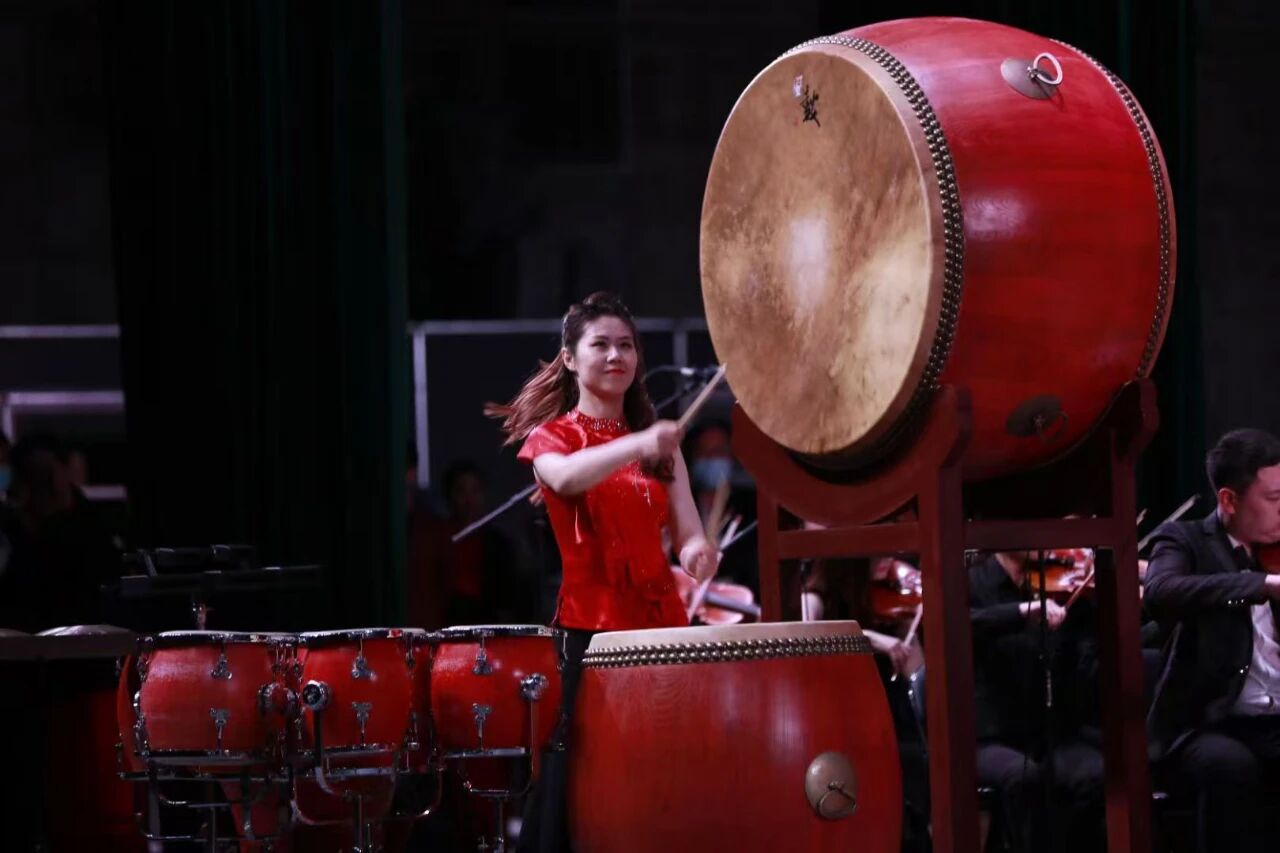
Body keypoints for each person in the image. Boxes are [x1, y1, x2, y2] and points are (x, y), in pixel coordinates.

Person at [486, 291, 717, 853]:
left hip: (661, 625)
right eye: (601, 345)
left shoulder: (659, 445)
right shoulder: (553, 438)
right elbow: (567, 478)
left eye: (627, 346)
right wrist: (639, 441)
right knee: (585, 778)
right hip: (591, 632)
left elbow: (688, 532)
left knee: (665, 767)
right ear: (570, 357)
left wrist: (697, 555)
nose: (616, 356)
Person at [1144, 428, 1280, 853]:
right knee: (1230, 767)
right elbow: (1161, 591)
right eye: (1274, 499)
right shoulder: (1184, 540)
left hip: (1273, 718)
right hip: (1207, 721)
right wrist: (1258, 584)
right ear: (1229, 500)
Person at [968, 548, 1106, 853]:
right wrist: (1021, 611)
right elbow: (958, 624)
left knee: (1098, 775)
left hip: (1047, 729)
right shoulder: (971, 581)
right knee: (1027, 778)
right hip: (991, 734)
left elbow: (1078, 659)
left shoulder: (1050, 581)